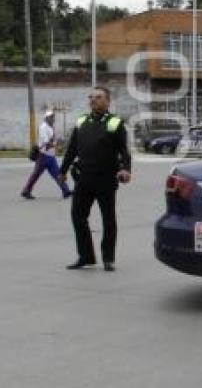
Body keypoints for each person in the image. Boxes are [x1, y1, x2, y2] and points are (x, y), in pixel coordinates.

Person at [59, 86, 131, 271]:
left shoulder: (115, 123)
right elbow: (72, 148)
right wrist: (63, 170)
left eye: (98, 97)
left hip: (106, 179)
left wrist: (125, 169)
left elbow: (124, 150)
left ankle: (108, 258)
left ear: (107, 101)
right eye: (91, 97)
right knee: (77, 216)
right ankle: (85, 256)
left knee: (108, 219)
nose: (93, 100)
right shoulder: (82, 121)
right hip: (84, 179)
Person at [20, 111, 72, 200]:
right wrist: (56, 144)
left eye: (53, 117)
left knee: (57, 173)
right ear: (46, 118)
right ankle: (26, 190)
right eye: (51, 117)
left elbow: (52, 141)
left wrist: (56, 143)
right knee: (36, 174)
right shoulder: (43, 127)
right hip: (43, 155)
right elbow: (46, 142)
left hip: (50, 155)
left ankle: (66, 191)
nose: (53, 119)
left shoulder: (50, 127)